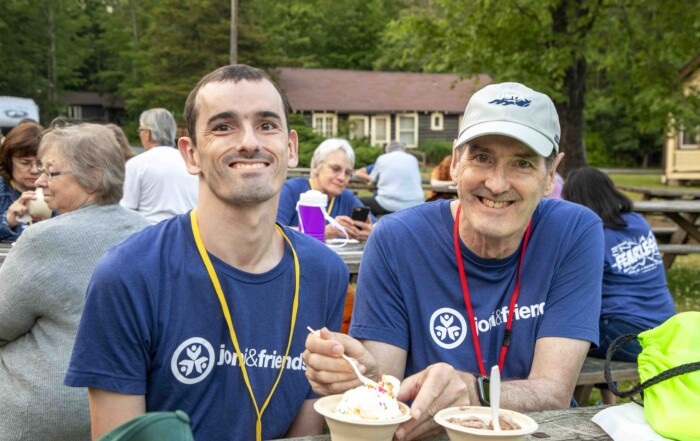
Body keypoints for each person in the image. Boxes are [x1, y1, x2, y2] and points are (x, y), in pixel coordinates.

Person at [304, 82, 605, 440]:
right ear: (456, 163)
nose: (496, 183)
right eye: (482, 158)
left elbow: (554, 390)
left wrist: (474, 391)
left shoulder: (574, 231)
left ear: (549, 175)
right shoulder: (396, 240)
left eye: (522, 162)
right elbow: (386, 391)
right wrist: (364, 378)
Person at [65, 64, 349, 441]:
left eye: (267, 125)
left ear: (291, 147)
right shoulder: (129, 274)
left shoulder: (324, 271)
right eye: (223, 126)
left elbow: (306, 423)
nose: (250, 142)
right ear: (191, 153)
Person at [0, 123, 149, 441]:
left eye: (51, 173)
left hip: (43, 416)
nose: (40, 181)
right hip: (128, 412)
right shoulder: (147, 233)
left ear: (93, 177)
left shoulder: (42, 240)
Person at [561, 166, 676, 404]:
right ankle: (607, 401)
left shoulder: (594, 236)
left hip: (631, 339)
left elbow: (575, 291)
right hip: (665, 330)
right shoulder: (637, 221)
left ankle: (565, 403)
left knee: (565, 337)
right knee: (594, 326)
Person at [277, 138, 375, 242]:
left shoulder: (346, 197)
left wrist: (370, 231)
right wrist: (324, 232)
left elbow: (377, 226)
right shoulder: (291, 189)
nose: (342, 177)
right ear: (316, 166)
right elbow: (272, 231)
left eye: (348, 173)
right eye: (335, 169)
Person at [120, 108, 198, 224]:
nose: (140, 134)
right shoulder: (191, 162)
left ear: (148, 134)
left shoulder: (136, 164)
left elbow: (127, 210)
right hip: (188, 232)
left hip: (150, 234)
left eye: (141, 130)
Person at [0, 121, 48, 241]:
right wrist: (7, 221)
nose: (34, 170)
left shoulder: (57, 188)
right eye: (25, 163)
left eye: (40, 163)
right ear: (9, 161)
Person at [360, 141, 425, 216]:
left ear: (387, 150)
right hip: (416, 203)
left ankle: (372, 226)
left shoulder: (382, 159)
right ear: (403, 149)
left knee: (358, 202)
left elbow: (372, 180)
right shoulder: (413, 159)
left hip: (389, 203)